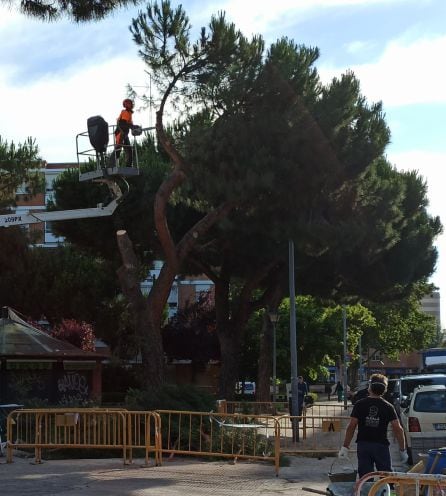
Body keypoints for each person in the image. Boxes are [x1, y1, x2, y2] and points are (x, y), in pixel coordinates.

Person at [338, 373, 408, 478]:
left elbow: (351, 426)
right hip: (381, 446)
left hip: (363, 445)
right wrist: (403, 450)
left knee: (365, 478)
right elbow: (398, 429)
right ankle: (387, 493)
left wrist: (345, 446)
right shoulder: (388, 407)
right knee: (386, 477)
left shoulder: (360, 404)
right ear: (384, 389)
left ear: (369, 387)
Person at [108, 98, 140, 167]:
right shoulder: (125, 112)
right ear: (126, 104)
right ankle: (110, 165)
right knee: (118, 149)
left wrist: (133, 127)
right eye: (130, 103)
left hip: (124, 133)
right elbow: (122, 124)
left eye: (131, 103)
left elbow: (127, 124)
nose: (131, 105)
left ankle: (128, 166)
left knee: (129, 150)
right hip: (121, 132)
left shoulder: (129, 113)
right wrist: (132, 126)